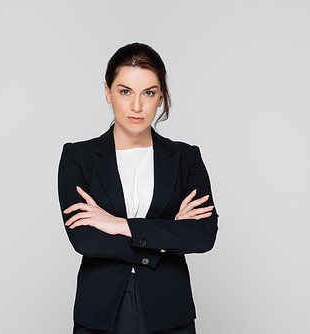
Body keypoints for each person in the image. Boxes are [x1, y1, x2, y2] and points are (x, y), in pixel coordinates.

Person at [58, 42, 218, 334]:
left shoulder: (185, 158)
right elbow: (85, 240)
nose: (136, 106)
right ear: (107, 92)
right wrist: (167, 234)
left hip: (170, 312)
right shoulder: (78, 157)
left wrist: (118, 224)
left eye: (148, 93)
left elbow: (203, 236)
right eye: (125, 91)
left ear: (160, 97)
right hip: (100, 313)